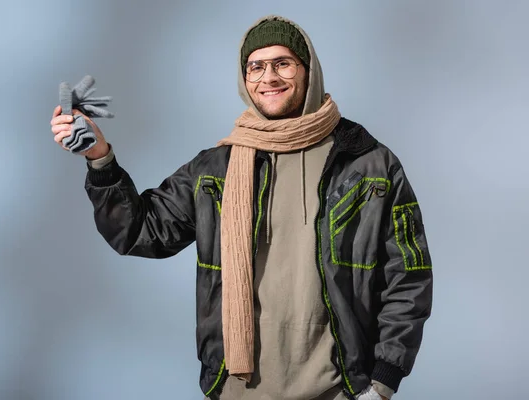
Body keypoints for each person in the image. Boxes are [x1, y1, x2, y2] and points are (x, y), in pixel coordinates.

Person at [50, 15, 433, 400]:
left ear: (309, 70)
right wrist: (100, 157)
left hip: (340, 390)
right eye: (256, 66)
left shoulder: (369, 165)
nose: (269, 77)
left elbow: (409, 276)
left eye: (283, 63)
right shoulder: (215, 169)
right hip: (238, 391)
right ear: (244, 78)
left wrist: (382, 383)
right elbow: (139, 233)